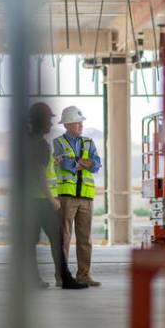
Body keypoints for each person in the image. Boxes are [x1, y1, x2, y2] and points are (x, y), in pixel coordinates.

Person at [28, 102, 87, 290]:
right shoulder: (41, 145)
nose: (50, 124)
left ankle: (32, 279)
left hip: (28, 200)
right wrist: (51, 199)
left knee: (30, 242)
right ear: (40, 121)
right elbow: (40, 174)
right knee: (57, 239)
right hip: (42, 201)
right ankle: (65, 278)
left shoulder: (26, 143)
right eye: (48, 120)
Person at [53, 105, 102, 287]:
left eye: (81, 122)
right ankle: (62, 276)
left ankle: (84, 275)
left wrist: (77, 162)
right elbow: (65, 164)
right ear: (66, 125)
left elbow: (96, 165)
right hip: (67, 196)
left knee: (85, 239)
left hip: (86, 197)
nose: (81, 126)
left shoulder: (89, 142)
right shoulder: (59, 143)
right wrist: (84, 163)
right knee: (64, 238)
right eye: (76, 123)